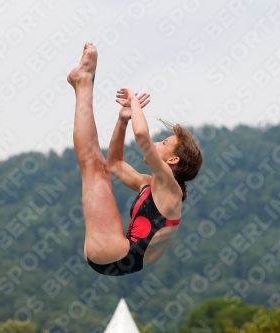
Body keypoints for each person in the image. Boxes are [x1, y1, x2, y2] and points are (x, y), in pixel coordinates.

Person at [67, 42, 203, 276]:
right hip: (114, 254)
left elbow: (142, 136)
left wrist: (136, 105)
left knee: (92, 164)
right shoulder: (148, 184)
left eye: (164, 144)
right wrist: (122, 121)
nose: (157, 144)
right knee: (97, 165)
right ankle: (82, 83)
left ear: (172, 161)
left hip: (117, 254)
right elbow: (115, 164)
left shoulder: (171, 191)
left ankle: (83, 82)